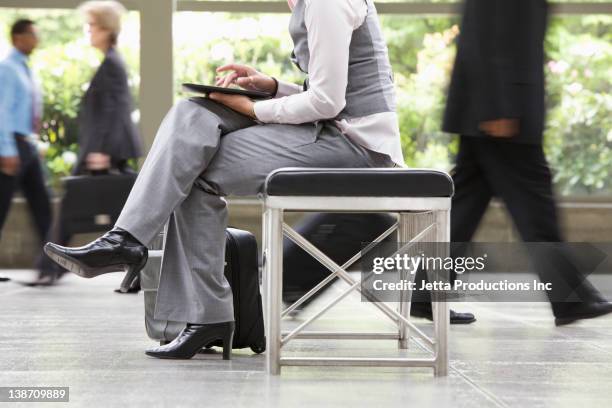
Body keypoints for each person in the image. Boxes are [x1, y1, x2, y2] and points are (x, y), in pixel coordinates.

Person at [45, 0, 402, 359]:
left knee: (190, 166)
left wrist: (254, 108)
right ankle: (131, 246)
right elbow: (328, 90)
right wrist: (273, 86)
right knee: (190, 115)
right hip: (333, 134)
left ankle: (170, 282)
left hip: (355, 148)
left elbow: (327, 101)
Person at [416, 0, 612, 326]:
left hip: (489, 107)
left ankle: (424, 295)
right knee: (535, 204)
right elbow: (488, 34)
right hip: (499, 111)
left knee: (466, 204)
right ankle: (571, 298)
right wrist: (498, 109)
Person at [30, 0, 143, 286]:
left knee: (78, 204)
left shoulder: (112, 65)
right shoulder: (110, 63)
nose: (88, 31)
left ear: (107, 30)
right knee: (113, 210)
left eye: (92, 26)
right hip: (103, 150)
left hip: (104, 151)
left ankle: (51, 267)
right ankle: (50, 267)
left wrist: (102, 151)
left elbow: (113, 111)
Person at [0, 19, 51, 282]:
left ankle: (51, 265)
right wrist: (6, 150)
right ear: (18, 37)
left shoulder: (25, 69)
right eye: (33, 34)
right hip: (13, 144)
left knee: (42, 203)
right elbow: (2, 112)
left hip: (27, 145)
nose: (37, 39)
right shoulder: (7, 69)